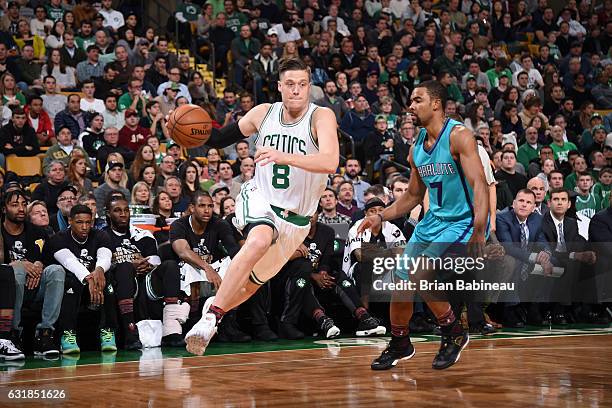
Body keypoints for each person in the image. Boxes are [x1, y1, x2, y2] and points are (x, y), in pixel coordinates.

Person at [184, 58, 339, 355]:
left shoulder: (321, 117)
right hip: (261, 198)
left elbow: (330, 161)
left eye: (302, 85)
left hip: (297, 219)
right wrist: (184, 129)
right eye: (290, 84)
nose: (296, 90)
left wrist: (285, 156)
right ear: (280, 86)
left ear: (309, 87)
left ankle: (213, 307)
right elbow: (217, 138)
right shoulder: (263, 113)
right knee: (258, 240)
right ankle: (212, 319)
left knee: (252, 284)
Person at [358, 80, 489, 371]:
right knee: (401, 281)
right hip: (433, 221)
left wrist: (480, 228)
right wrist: (381, 216)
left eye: (418, 100)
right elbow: (414, 196)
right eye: (411, 101)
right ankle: (400, 343)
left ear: (436, 104)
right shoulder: (417, 144)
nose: (411, 106)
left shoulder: (459, 136)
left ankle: (454, 331)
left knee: (419, 273)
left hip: (464, 221)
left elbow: (479, 183)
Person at [104, 195, 189, 349]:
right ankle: (130, 332)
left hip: (146, 282)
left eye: (126, 210)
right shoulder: (103, 237)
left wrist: (145, 266)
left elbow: (155, 261)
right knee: (124, 268)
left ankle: (171, 331)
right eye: (117, 210)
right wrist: (130, 266)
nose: (123, 214)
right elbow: (101, 264)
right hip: (119, 282)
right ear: (108, 214)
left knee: (170, 265)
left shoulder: (143, 234)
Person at [43, 204, 116, 354]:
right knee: (73, 280)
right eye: (79, 222)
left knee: (107, 280)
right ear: (70, 221)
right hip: (71, 284)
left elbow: (105, 256)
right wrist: (90, 278)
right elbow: (70, 263)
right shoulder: (58, 238)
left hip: (96, 284)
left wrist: (99, 270)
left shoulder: (100, 235)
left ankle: (107, 331)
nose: (84, 227)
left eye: (88, 222)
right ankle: (68, 333)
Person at [3, 189, 65, 357]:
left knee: (56, 271)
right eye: (15, 205)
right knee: (15, 271)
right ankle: (13, 334)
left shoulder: (37, 231)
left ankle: (45, 333)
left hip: (35, 285)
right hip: (8, 289)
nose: (21, 209)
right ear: (4, 209)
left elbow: (49, 258)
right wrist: (16, 264)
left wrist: (40, 263)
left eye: (24, 204)